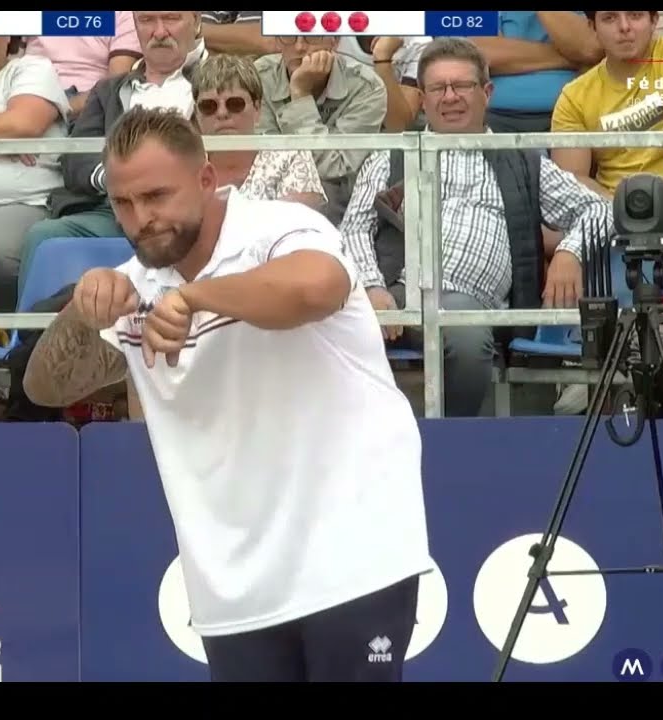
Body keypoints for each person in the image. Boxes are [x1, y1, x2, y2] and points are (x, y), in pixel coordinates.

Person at [23, 107, 432, 682]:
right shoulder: (135, 283)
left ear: (208, 180)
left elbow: (317, 287)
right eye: (124, 204)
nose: (142, 218)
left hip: (350, 549)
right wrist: (82, 314)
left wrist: (197, 298)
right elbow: (44, 388)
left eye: (157, 196)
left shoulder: (281, 226)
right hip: (231, 581)